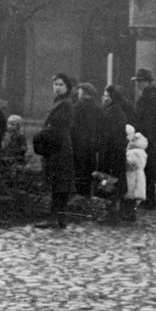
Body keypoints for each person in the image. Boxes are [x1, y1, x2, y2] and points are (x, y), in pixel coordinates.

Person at [36, 73, 75, 229]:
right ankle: (58, 217)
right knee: (58, 182)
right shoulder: (58, 101)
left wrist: (43, 134)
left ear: (67, 87)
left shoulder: (65, 103)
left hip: (59, 146)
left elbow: (59, 124)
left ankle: (56, 217)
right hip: (56, 144)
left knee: (59, 181)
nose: (57, 87)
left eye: (60, 85)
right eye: (55, 84)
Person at [98, 85, 132, 224]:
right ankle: (117, 213)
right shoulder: (114, 112)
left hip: (111, 153)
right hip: (114, 153)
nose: (103, 98)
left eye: (106, 96)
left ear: (112, 98)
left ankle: (111, 214)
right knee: (113, 183)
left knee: (110, 183)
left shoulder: (113, 114)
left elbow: (109, 136)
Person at [131, 68, 156, 210]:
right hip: (150, 138)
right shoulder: (151, 96)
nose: (138, 84)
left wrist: (141, 136)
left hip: (146, 139)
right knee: (148, 170)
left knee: (146, 170)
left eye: (140, 81)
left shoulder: (148, 97)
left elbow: (146, 120)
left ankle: (149, 201)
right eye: (138, 81)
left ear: (147, 82)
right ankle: (149, 200)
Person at [70, 82, 102, 200]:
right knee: (91, 167)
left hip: (79, 142)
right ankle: (89, 193)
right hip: (92, 142)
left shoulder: (77, 106)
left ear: (83, 93)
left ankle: (80, 194)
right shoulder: (98, 107)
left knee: (79, 168)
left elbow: (73, 126)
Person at [123, 124, 148, 223]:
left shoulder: (136, 152)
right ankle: (130, 214)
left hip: (133, 178)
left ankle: (131, 215)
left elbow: (133, 163)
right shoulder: (136, 151)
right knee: (130, 199)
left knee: (131, 198)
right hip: (133, 177)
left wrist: (126, 160)